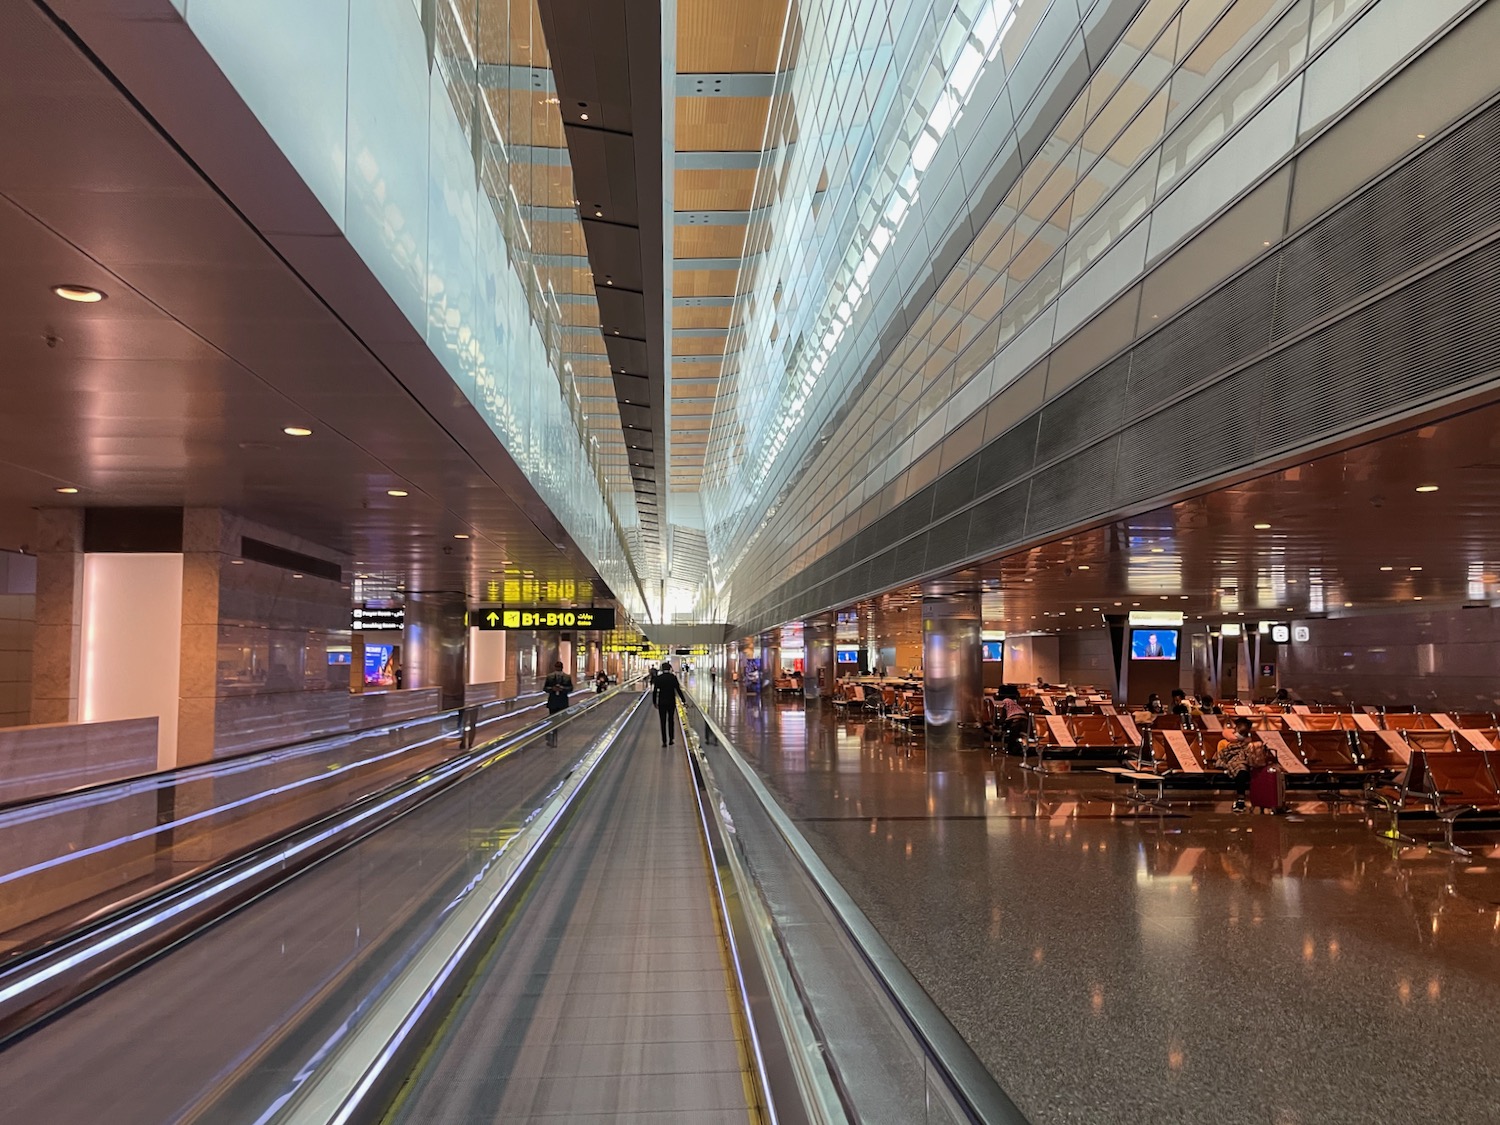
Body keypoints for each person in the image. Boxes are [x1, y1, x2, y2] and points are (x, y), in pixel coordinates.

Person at [1213, 717, 1258, 812]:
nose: (1241, 735)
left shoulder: (1250, 743)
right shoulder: (1224, 742)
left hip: (1248, 763)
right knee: (1241, 771)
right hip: (1234, 763)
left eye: (1243, 733)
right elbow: (1221, 755)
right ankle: (1240, 799)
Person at [654, 660, 686, 745]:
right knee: (671, 720)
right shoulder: (673, 677)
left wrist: (654, 702)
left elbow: (654, 691)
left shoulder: (659, 678)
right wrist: (683, 700)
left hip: (662, 702)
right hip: (671, 701)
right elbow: (678, 689)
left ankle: (664, 741)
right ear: (670, 668)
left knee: (663, 721)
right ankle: (671, 739)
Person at [543, 660, 573, 746]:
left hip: (562, 701)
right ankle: (552, 737)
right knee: (553, 720)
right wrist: (552, 689)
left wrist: (562, 689)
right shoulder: (550, 677)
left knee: (559, 721)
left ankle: (555, 737)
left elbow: (570, 688)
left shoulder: (567, 677)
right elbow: (545, 688)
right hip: (553, 701)